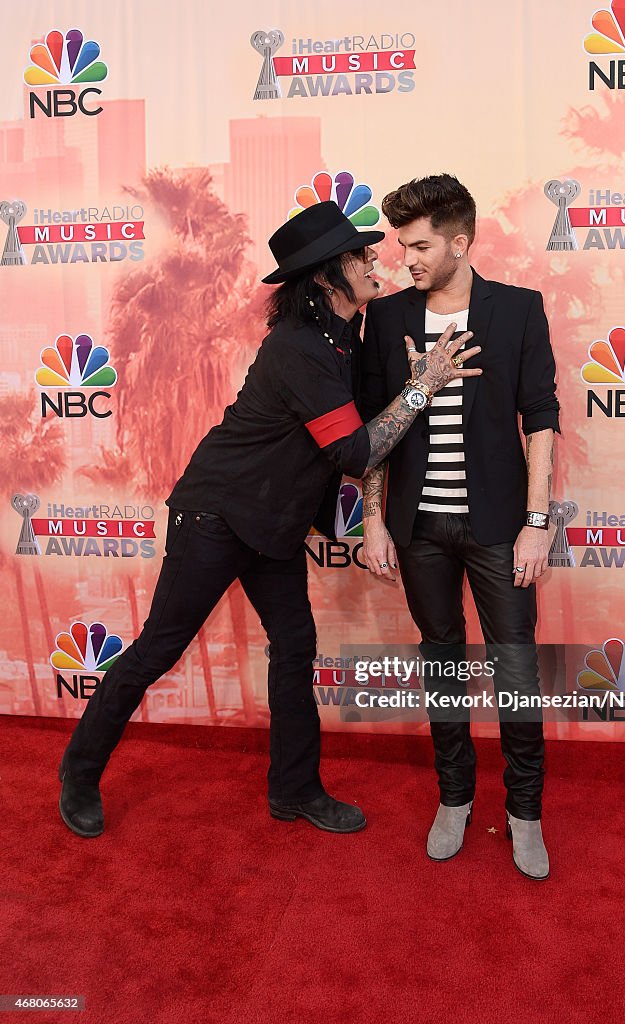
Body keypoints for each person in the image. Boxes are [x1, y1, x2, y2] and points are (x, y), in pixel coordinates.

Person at [57, 201, 481, 839]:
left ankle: (295, 789)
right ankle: (79, 770)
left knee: (295, 648)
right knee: (158, 648)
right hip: (217, 514)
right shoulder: (299, 348)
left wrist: (409, 383)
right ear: (325, 276)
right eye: (360, 256)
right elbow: (356, 452)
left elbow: (361, 423)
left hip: (274, 525)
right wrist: (424, 388)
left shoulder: (344, 338)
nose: (374, 262)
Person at [358, 175, 559, 879]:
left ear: (460, 242)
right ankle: (455, 798)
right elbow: (374, 432)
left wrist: (537, 524)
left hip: (499, 528)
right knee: (440, 661)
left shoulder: (516, 311)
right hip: (418, 530)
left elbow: (540, 420)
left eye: (418, 245)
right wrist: (374, 520)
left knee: (515, 669)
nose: (405, 258)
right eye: (400, 244)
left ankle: (525, 812)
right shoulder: (386, 321)